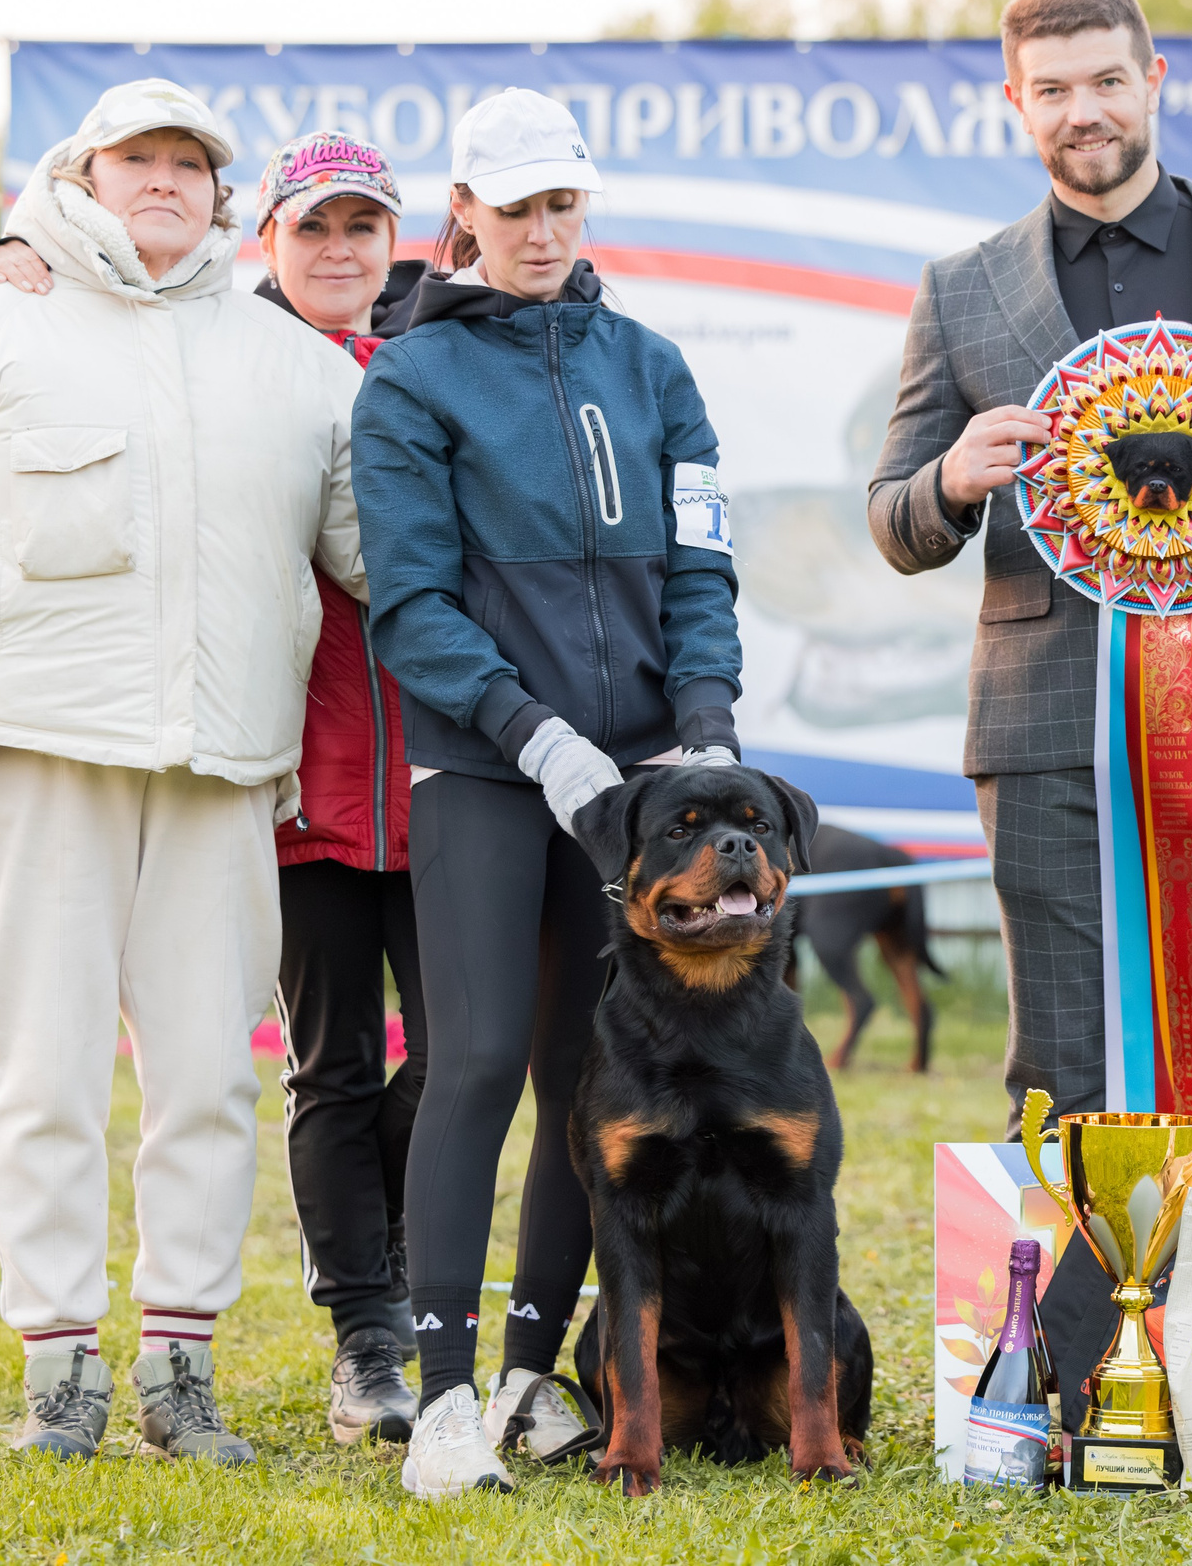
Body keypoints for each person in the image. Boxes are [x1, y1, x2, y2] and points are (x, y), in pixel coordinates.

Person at [0, 80, 366, 1466]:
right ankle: (59, 1369)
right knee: (44, 1070)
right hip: (36, 756)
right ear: (81, 177)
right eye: (136, 158)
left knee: (208, 1075)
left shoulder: (297, 361)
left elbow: (387, 558)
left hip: (223, 767)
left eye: (190, 164)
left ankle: (180, 1370)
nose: (163, 183)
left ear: (220, 196)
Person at [0, 133, 436, 1444]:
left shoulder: (425, 365)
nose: (340, 252)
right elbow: (72, 315)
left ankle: (415, 1308)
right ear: (264, 236)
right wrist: (6, 247)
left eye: (365, 228)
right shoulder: (229, 355)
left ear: (398, 240)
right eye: (315, 228)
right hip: (288, 784)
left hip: (443, 783)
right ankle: (368, 1345)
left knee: (461, 1060)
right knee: (326, 1070)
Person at [867, 0, 1192, 1140]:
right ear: (1015, 102)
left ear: (1152, 82)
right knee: (1061, 1072)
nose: (1082, 111)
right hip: (1043, 730)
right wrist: (949, 482)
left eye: (1106, 81)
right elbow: (891, 516)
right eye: (1051, 91)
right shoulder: (959, 290)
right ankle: (1057, 1324)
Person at [351, 87, 744, 1500]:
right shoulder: (409, 382)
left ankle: (529, 1375)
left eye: (561, 203)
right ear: (463, 213)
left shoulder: (656, 368)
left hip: (636, 789)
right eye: (513, 207)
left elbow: (701, 568)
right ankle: (441, 1399)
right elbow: (411, 607)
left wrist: (699, 729)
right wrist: (536, 737)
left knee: (591, 1083)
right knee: (467, 1068)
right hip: (484, 774)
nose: (539, 230)